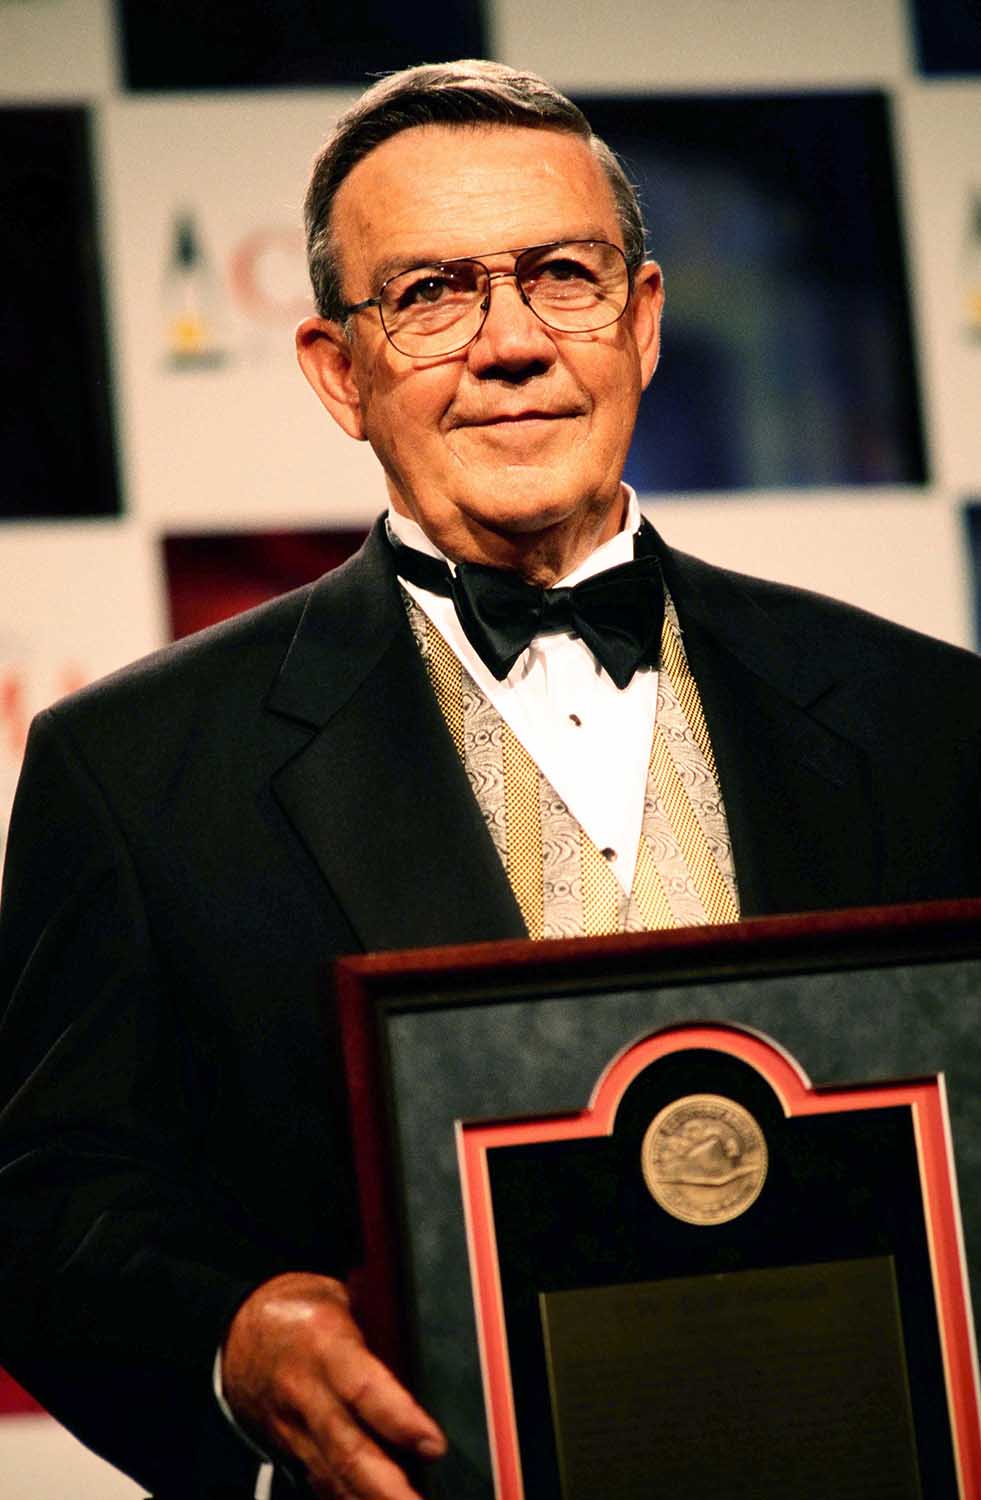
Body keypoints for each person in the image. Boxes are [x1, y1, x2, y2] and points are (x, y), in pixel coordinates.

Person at [2, 57, 981, 1500]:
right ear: (338, 372)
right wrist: (228, 1339)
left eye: (561, 277)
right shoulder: (131, 767)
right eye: (433, 293)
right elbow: (45, 1206)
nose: (511, 343)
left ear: (644, 325)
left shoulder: (924, 711)